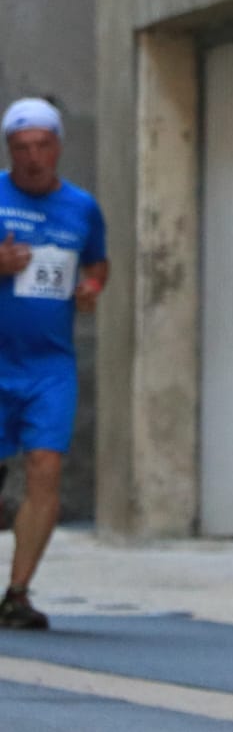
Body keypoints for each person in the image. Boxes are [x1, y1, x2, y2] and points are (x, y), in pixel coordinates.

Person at [0, 98, 108, 632]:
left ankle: (17, 593)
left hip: (49, 364)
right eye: (21, 148)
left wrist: (91, 287)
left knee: (46, 466)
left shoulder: (82, 208)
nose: (32, 157)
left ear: (59, 146)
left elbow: (98, 262)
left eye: (42, 146)